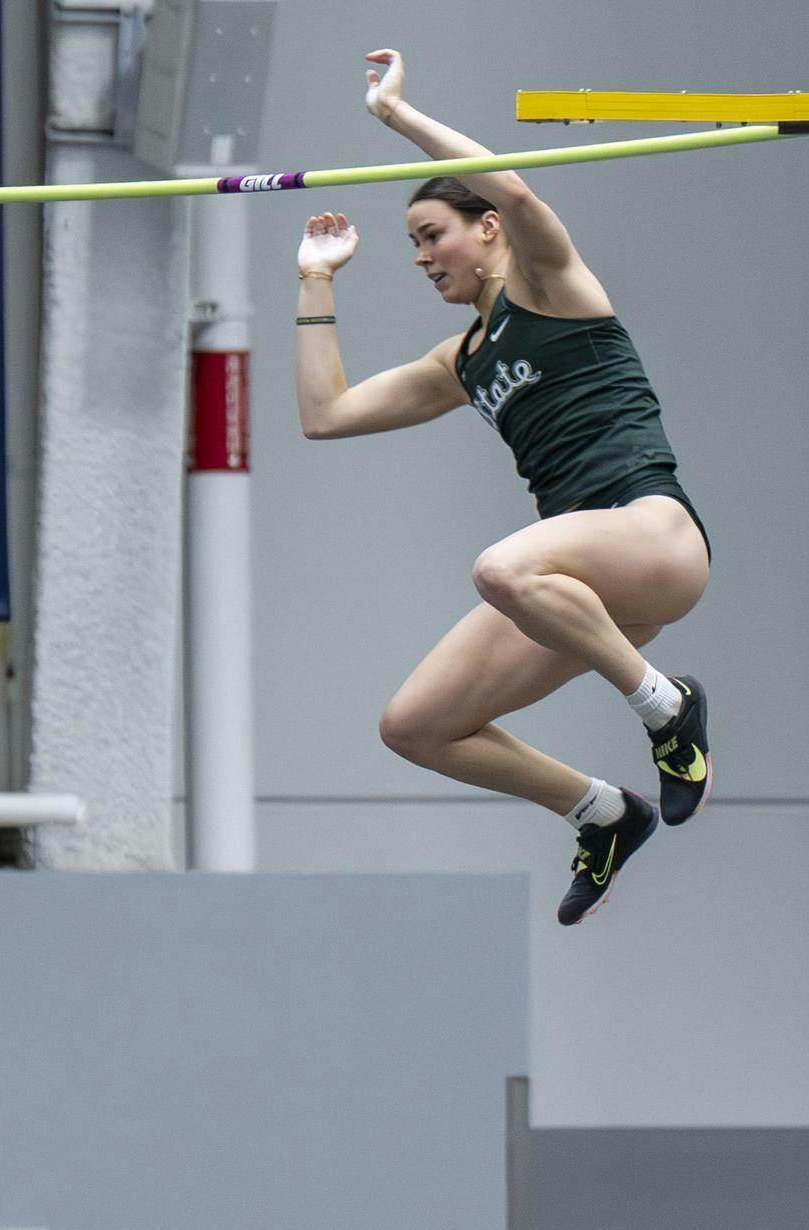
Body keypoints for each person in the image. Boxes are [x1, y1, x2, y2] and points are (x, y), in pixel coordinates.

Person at [292, 48, 713, 924]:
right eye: (411, 245)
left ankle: (667, 710)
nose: (420, 257)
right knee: (414, 726)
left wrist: (398, 119)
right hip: (579, 587)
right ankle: (603, 812)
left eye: (431, 234)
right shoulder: (460, 362)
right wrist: (315, 279)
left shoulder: (553, 288)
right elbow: (326, 414)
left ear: (485, 232)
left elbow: (516, 193)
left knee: (499, 569)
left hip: (651, 534)